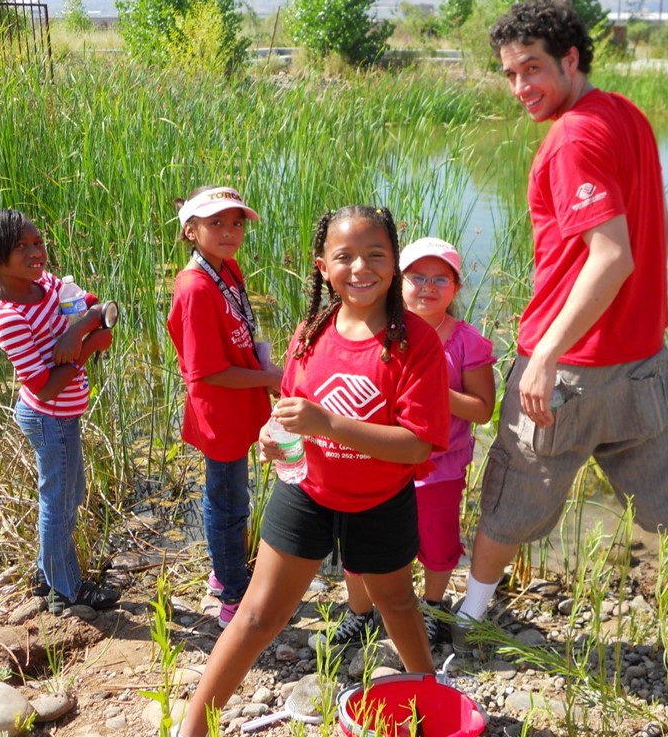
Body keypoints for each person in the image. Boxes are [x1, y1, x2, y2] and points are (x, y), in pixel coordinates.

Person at [450, 0, 668, 710]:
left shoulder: (571, 138)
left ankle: (468, 617)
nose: (519, 85)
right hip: (641, 364)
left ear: (571, 59)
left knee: (510, 496)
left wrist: (545, 353)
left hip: (569, 373)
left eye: (531, 68)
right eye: (507, 73)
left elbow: (611, 255)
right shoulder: (624, 114)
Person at [175, 205, 450, 737]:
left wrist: (329, 422)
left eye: (375, 255)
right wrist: (275, 441)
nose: (360, 268)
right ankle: (192, 729)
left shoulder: (416, 342)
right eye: (343, 256)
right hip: (308, 494)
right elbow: (293, 413)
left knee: (396, 601)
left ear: (394, 263)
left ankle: (430, 706)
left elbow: (416, 447)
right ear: (322, 265)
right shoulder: (311, 331)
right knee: (258, 615)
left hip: (381, 500)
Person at [309, 236, 497, 652]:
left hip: (441, 465)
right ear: (398, 280)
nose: (427, 287)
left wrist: (432, 389)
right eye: (416, 277)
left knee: (436, 540)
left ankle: (431, 608)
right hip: (376, 462)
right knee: (360, 539)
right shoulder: (377, 332)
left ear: (456, 287)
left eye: (440, 279)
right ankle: (360, 612)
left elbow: (483, 410)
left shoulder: (467, 341)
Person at [0, 209, 122, 614]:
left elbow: (97, 305)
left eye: (37, 242)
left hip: (66, 412)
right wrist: (88, 345)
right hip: (47, 416)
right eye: (19, 247)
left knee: (70, 492)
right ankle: (66, 590)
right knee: (58, 500)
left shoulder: (48, 285)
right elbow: (43, 384)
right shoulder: (8, 316)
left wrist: (80, 327)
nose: (34, 252)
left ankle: (47, 571)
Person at [167, 186, 282, 628]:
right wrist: (269, 378)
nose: (229, 231)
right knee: (228, 501)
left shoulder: (227, 269)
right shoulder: (194, 287)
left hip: (241, 402)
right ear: (190, 231)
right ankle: (233, 596)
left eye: (236, 222)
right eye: (215, 223)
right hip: (219, 411)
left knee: (233, 493)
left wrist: (265, 365)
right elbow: (207, 373)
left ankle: (222, 573)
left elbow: (239, 334)